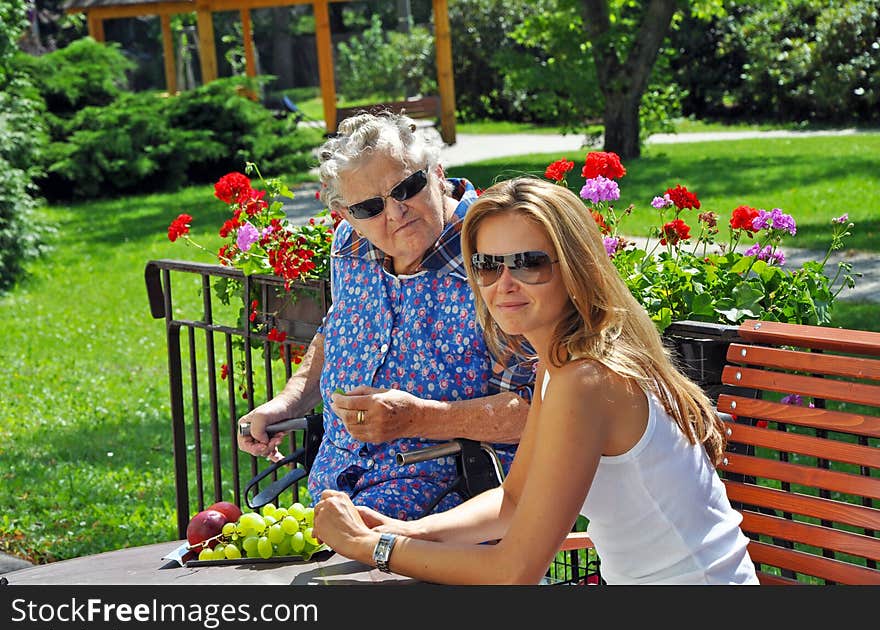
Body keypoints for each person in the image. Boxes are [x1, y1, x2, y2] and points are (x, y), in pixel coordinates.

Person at [312, 176, 759, 585]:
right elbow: (514, 500)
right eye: (487, 265)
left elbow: (515, 571)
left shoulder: (586, 378)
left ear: (575, 267)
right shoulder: (563, 360)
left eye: (528, 263)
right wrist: (410, 531)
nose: (502, 284)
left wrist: (370, 547)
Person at [237, 112, 534, 520]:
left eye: (407, 188)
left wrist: (418, 419)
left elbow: (538, 410)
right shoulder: (349, 244)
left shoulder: (494, 251)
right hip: (333, 496)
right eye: (370, 207)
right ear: (346, 215)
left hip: (448, 510)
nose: (395, 213)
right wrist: (287, 403)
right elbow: (335, 333)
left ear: (438, 173)